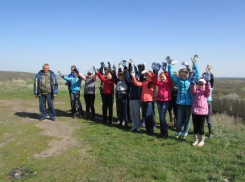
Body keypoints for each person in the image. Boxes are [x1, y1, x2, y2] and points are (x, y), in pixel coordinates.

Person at [167, 55, 199, 141]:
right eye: (181, 75)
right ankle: (178, 132)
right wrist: (170, 65)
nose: (182, 76)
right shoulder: (178, 80)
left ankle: (185, 133)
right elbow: (171, 75)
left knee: (187, 120)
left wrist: (195, 65)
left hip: (189, 103)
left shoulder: (190, 80)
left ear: (188, 74)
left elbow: (197, 75)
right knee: (179, 119)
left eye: (184, 75)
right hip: (180, 103)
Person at [131, 68, 156, 136]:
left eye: (147, 75)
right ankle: (147, 130)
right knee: (145, 116)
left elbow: (152, 77)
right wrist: (133, 76)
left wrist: (148, 72)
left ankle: (151, 130)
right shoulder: (144, 83)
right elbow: (136, 83)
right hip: (143, 101)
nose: (146, 77)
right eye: (145, 75)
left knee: (148, 115)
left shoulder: (153, 82)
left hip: (149, 102)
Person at [152, 62, 173, 138]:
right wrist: (156, 73)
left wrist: (165, 72)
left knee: (162, 117)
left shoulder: (168, 83)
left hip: (166, 101)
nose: (162, 78)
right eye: (161, 77)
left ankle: (165, 132)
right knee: (161, 116)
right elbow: (154, 80)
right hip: (159, 101)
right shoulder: (159, 83)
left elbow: (170, 78)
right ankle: (162, 132)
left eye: (163, 76)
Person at [190, 75, 211, 147]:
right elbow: (192, 89)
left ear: (204, 85)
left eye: (202, 84)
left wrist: (208, 83)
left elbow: (208, 90)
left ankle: (202, 140)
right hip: (195, 111)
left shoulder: (205, 93)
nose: (200, 86)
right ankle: (196, 139)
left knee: (201, 126)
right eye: (199, 84)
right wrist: (192, 82)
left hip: (202, 112)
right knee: (195, 125)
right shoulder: (196, 92)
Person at [125, 61, 141, 131]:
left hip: (137, 99)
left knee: (137, 113)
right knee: (132, 113)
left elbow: (139, 74)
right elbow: (127, 77)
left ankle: (138, 126)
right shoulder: (131, 82)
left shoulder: (139, 82)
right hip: (131, 98)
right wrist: (129, 66)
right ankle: (134, 125)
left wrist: (134, 68)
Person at [205, 65, 214, 138]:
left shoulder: (210, 85)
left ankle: (211, 132)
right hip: (201, 103)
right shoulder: (200, 85)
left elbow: (212, 79)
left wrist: (209, 72)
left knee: (208, 119)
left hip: (208, 102)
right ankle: (199, 131)